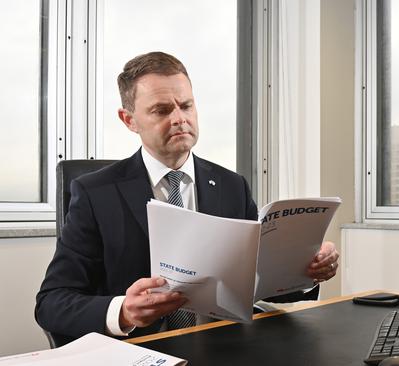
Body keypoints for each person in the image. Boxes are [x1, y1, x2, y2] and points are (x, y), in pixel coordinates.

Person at [35, 51, 339, 344]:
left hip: (224, 348)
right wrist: (124, 312)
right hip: (144, 351)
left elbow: (256, 288)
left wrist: (306, 271)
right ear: (129, 120)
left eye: (186, 105)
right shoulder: (95, 193)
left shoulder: (232, 185)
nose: (180, 118)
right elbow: (52, 303)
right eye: (162, 110)